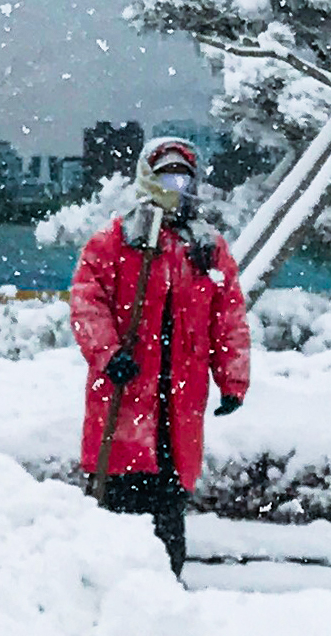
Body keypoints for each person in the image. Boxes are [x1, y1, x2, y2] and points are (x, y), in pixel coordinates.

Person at [70, 136, 252, 580]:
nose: (177, 187)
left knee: (170, 504)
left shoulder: (207, 248)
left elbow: (228, 316)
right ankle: (114, 588)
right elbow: (86, 301)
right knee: (120, 500)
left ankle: (167, 591)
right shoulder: (114, 242)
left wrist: (232, 380)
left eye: (184, 177)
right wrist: (108, 353)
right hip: (125, 396)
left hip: (180, 402)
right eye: (168, 176)